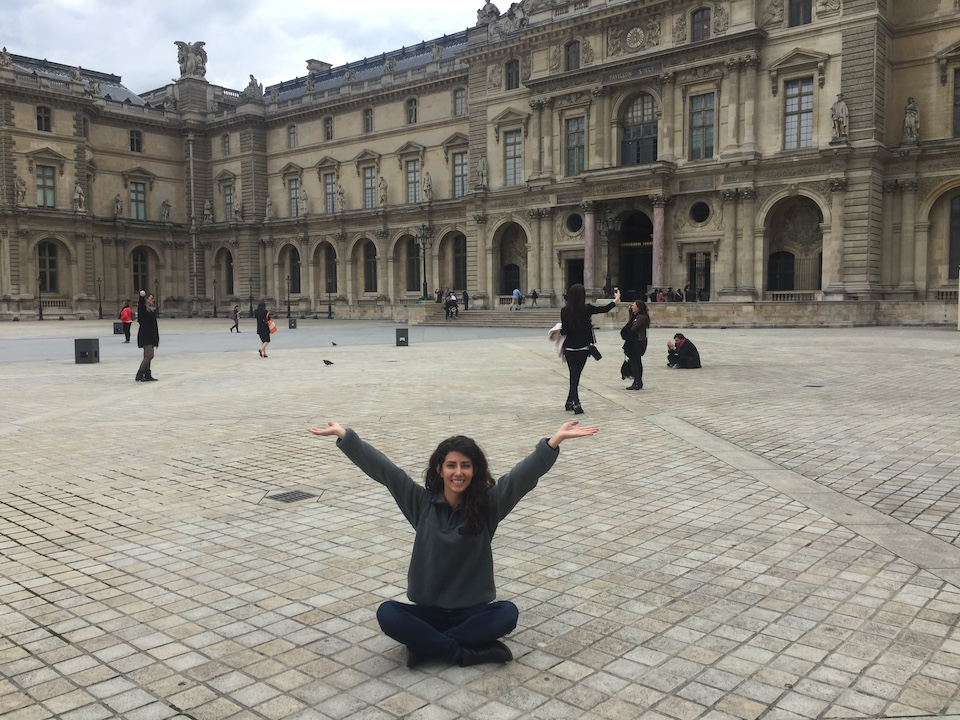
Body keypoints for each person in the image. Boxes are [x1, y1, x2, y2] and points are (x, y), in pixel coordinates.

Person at [306, 419, 599, 668]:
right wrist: (346, 437)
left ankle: (425, 647)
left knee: (507, 613)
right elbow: (386, 471)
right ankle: (461, 653)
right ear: (439, 470)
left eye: (466, 466)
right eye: (451, 465)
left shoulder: (488, 506)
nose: (458, 472)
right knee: (387, 613)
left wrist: (553, 442)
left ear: (475, 471)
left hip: (471, 611)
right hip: (429, 611)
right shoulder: (420, 504)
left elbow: (521, 478)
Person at [560, 284, 620, 414]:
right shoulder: (587, 309)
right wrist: (616, 300)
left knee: (573, 375)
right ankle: (576, 403)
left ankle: (570, 401)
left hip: (570, 348)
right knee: (576, 376)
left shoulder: (564, 311)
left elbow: (564, 331)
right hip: (583, 348)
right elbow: (604, 309)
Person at [620, 299, 650, 390]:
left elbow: (632, 328)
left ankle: (637, 381)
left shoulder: (641, 318)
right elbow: (631, 322)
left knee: (635, 361)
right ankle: (638, 381)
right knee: (636, 361)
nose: (632, 307)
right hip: (637, 341)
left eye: (633, 305)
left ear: (639, 307)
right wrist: (631, 313)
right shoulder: (638, 316)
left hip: (638, 341)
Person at [135, 290, 159, 381]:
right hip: (146, 335)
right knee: (149, 356)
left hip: (150, 334)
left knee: (147, 356)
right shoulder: (143, 309)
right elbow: (141, 304)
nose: (153, 300)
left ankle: (147, 374)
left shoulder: (150, 309)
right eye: (151, 298)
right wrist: (141, 296)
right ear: (146, 299)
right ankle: (139, 374)